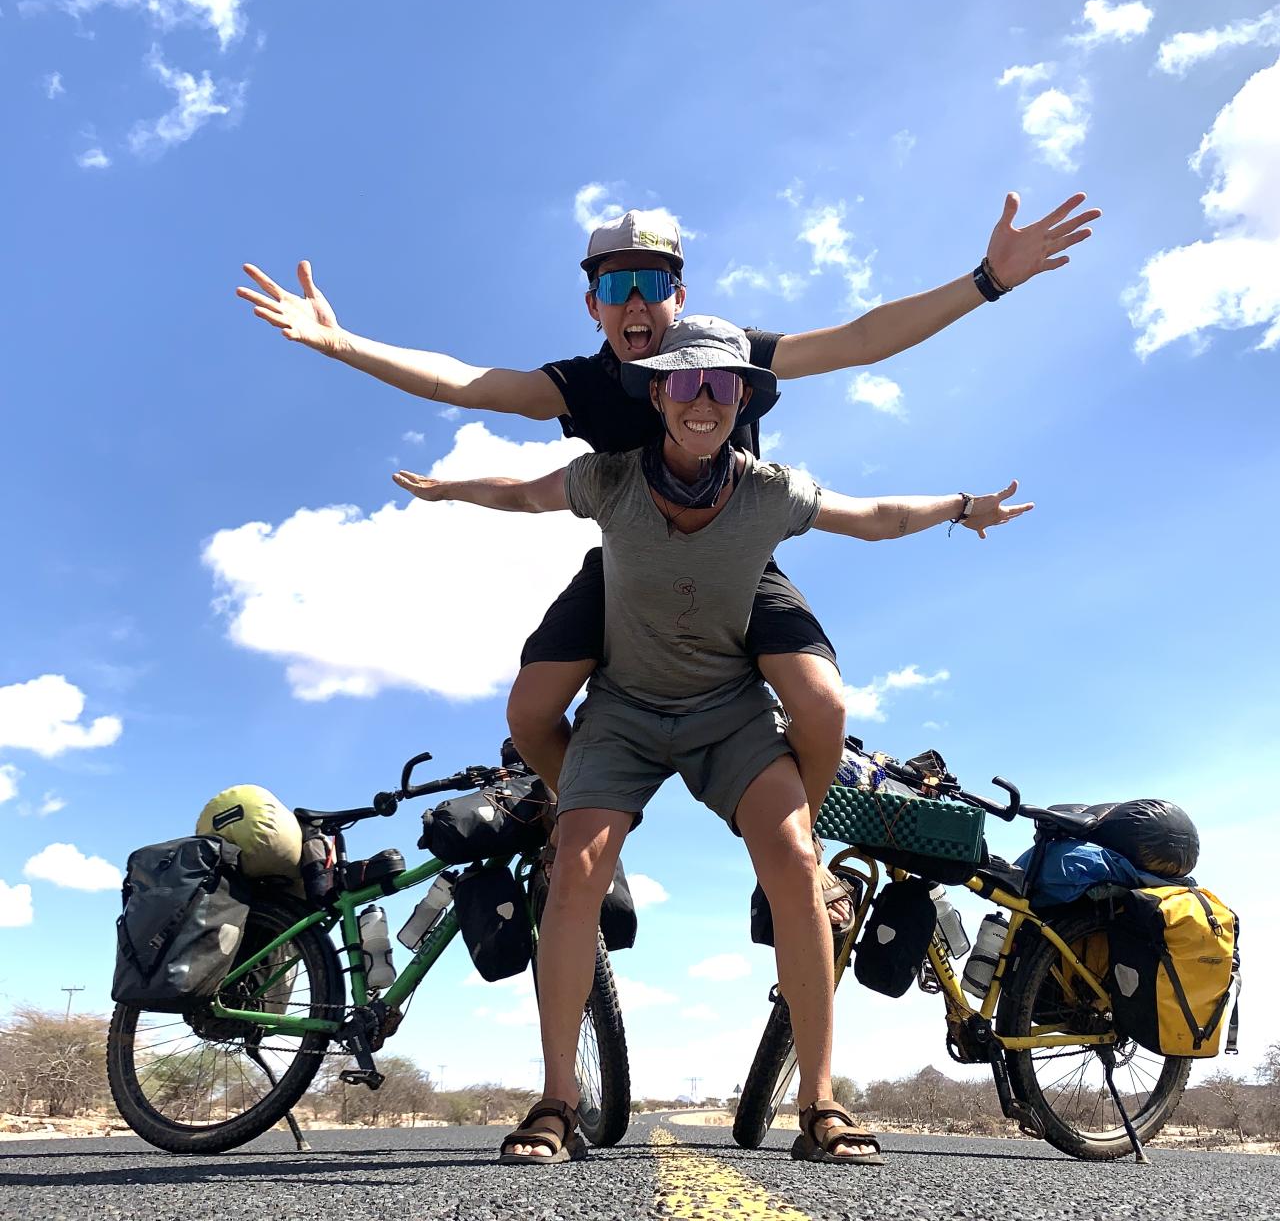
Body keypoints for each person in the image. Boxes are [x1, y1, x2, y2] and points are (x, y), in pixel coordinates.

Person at [236, 194, 1096, 929]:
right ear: (594, 305)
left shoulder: (729, 354)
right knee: (531, 710)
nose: (637, 302)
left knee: (821, 700)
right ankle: (579, 821)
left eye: (654, 285)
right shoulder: (582, 383)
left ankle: (798, 853)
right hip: (626, 571)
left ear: (679, 297)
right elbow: (462, 382)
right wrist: (339, 342)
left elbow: (865, 339)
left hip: (738, 563)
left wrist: (988, 281)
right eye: (618, 286)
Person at [392, 315, 1033, 1164]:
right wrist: (452, 490)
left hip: (729, 711)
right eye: (685, 383)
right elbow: (524, 494)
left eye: (722, 385)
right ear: (657, 394)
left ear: (743, 399)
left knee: (797, 866)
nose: (703, 401)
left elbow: (875, 515)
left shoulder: (769, 490)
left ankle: (821, 1103)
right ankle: (557, 1100)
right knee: (576, 868)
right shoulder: (610, 479)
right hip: (621, 710)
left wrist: (962, 507)